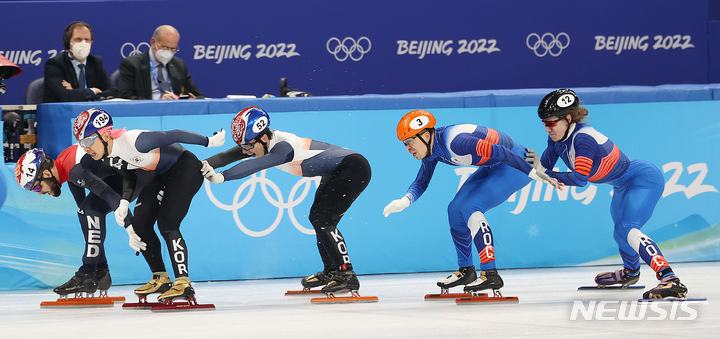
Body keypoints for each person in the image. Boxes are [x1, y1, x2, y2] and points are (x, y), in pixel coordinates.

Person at [524, 89, 688, 299]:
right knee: (620, 232)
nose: (547, 128)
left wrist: (543, 171)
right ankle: (631, 273)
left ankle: (670, 279)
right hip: (622, 185)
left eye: (551, 122)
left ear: (567, 118)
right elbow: (542, 169)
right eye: (544, 123)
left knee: (627, 228)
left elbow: (579, 179)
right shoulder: (556, 140)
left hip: (643, 180)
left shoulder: (583, 139)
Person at [383, 110, 559, 295]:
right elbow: (421, 181)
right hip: (493, 165)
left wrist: (533, 171)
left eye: (409, 142)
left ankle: (490, 273)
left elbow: (500, 152)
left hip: (516, 163)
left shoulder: (456, 142)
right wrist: (405, 201)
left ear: (426, 135)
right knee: (454, 209)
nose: (407, 148)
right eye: (404, 143)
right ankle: (466, 271)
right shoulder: (431, 149)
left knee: (470, 206)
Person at [202, 106, 372, 295]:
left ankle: (346, 275)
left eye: (249, 146)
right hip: (336, 171)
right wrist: (197, 166)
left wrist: (222, 177)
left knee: (323, 220)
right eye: (243, 146)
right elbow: (226, 156)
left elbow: (256, 164)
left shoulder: (284, 147)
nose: (246, 151)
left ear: (264, 138)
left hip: (353, 168)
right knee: (318, 219)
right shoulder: (259, 142)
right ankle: (332, 271)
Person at [72, 108, 224, 302]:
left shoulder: (135, 141)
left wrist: (209, 141)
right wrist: (124, 202)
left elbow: (174, 134)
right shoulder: (109, 155)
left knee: (168, 224)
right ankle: (160, 277)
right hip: (159, 174)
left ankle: (183, 282)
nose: (84, 148)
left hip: (185, 168)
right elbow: (129, 175)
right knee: (140, 225)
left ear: (105, 135)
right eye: (80, 143)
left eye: (86, 141)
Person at [13, 145, 144, 297]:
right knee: (86, 211)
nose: (40, 193)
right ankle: (100, 272)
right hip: (123, 174)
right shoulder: (65, 169)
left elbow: (110, 195)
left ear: (47, 173)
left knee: (90, 210)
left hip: (136, 174)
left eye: (37, 188)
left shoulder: (74, 170)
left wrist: (130, 227)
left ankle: (87, 274)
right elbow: (84, 215)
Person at [116, 25, 204, 100]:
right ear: (153, 42)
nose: (169, 52)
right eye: (165, 48)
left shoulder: (180, 65)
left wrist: (194, 100)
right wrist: (157, 102)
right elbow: (125, 97)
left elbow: (199, 95)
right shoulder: (131, 64)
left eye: (173, 49)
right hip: (148, 113)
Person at [43, 21, 118, 103]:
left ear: (91, 43)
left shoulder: (95, 62)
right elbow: (66, 96)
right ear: (68, 43)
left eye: (86, 40)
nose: (83, 44)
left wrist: (75, 92)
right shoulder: (55, 64)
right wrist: (93, 91)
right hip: (65, 113)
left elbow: (113, 92)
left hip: (92, 112)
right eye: (78, 39)